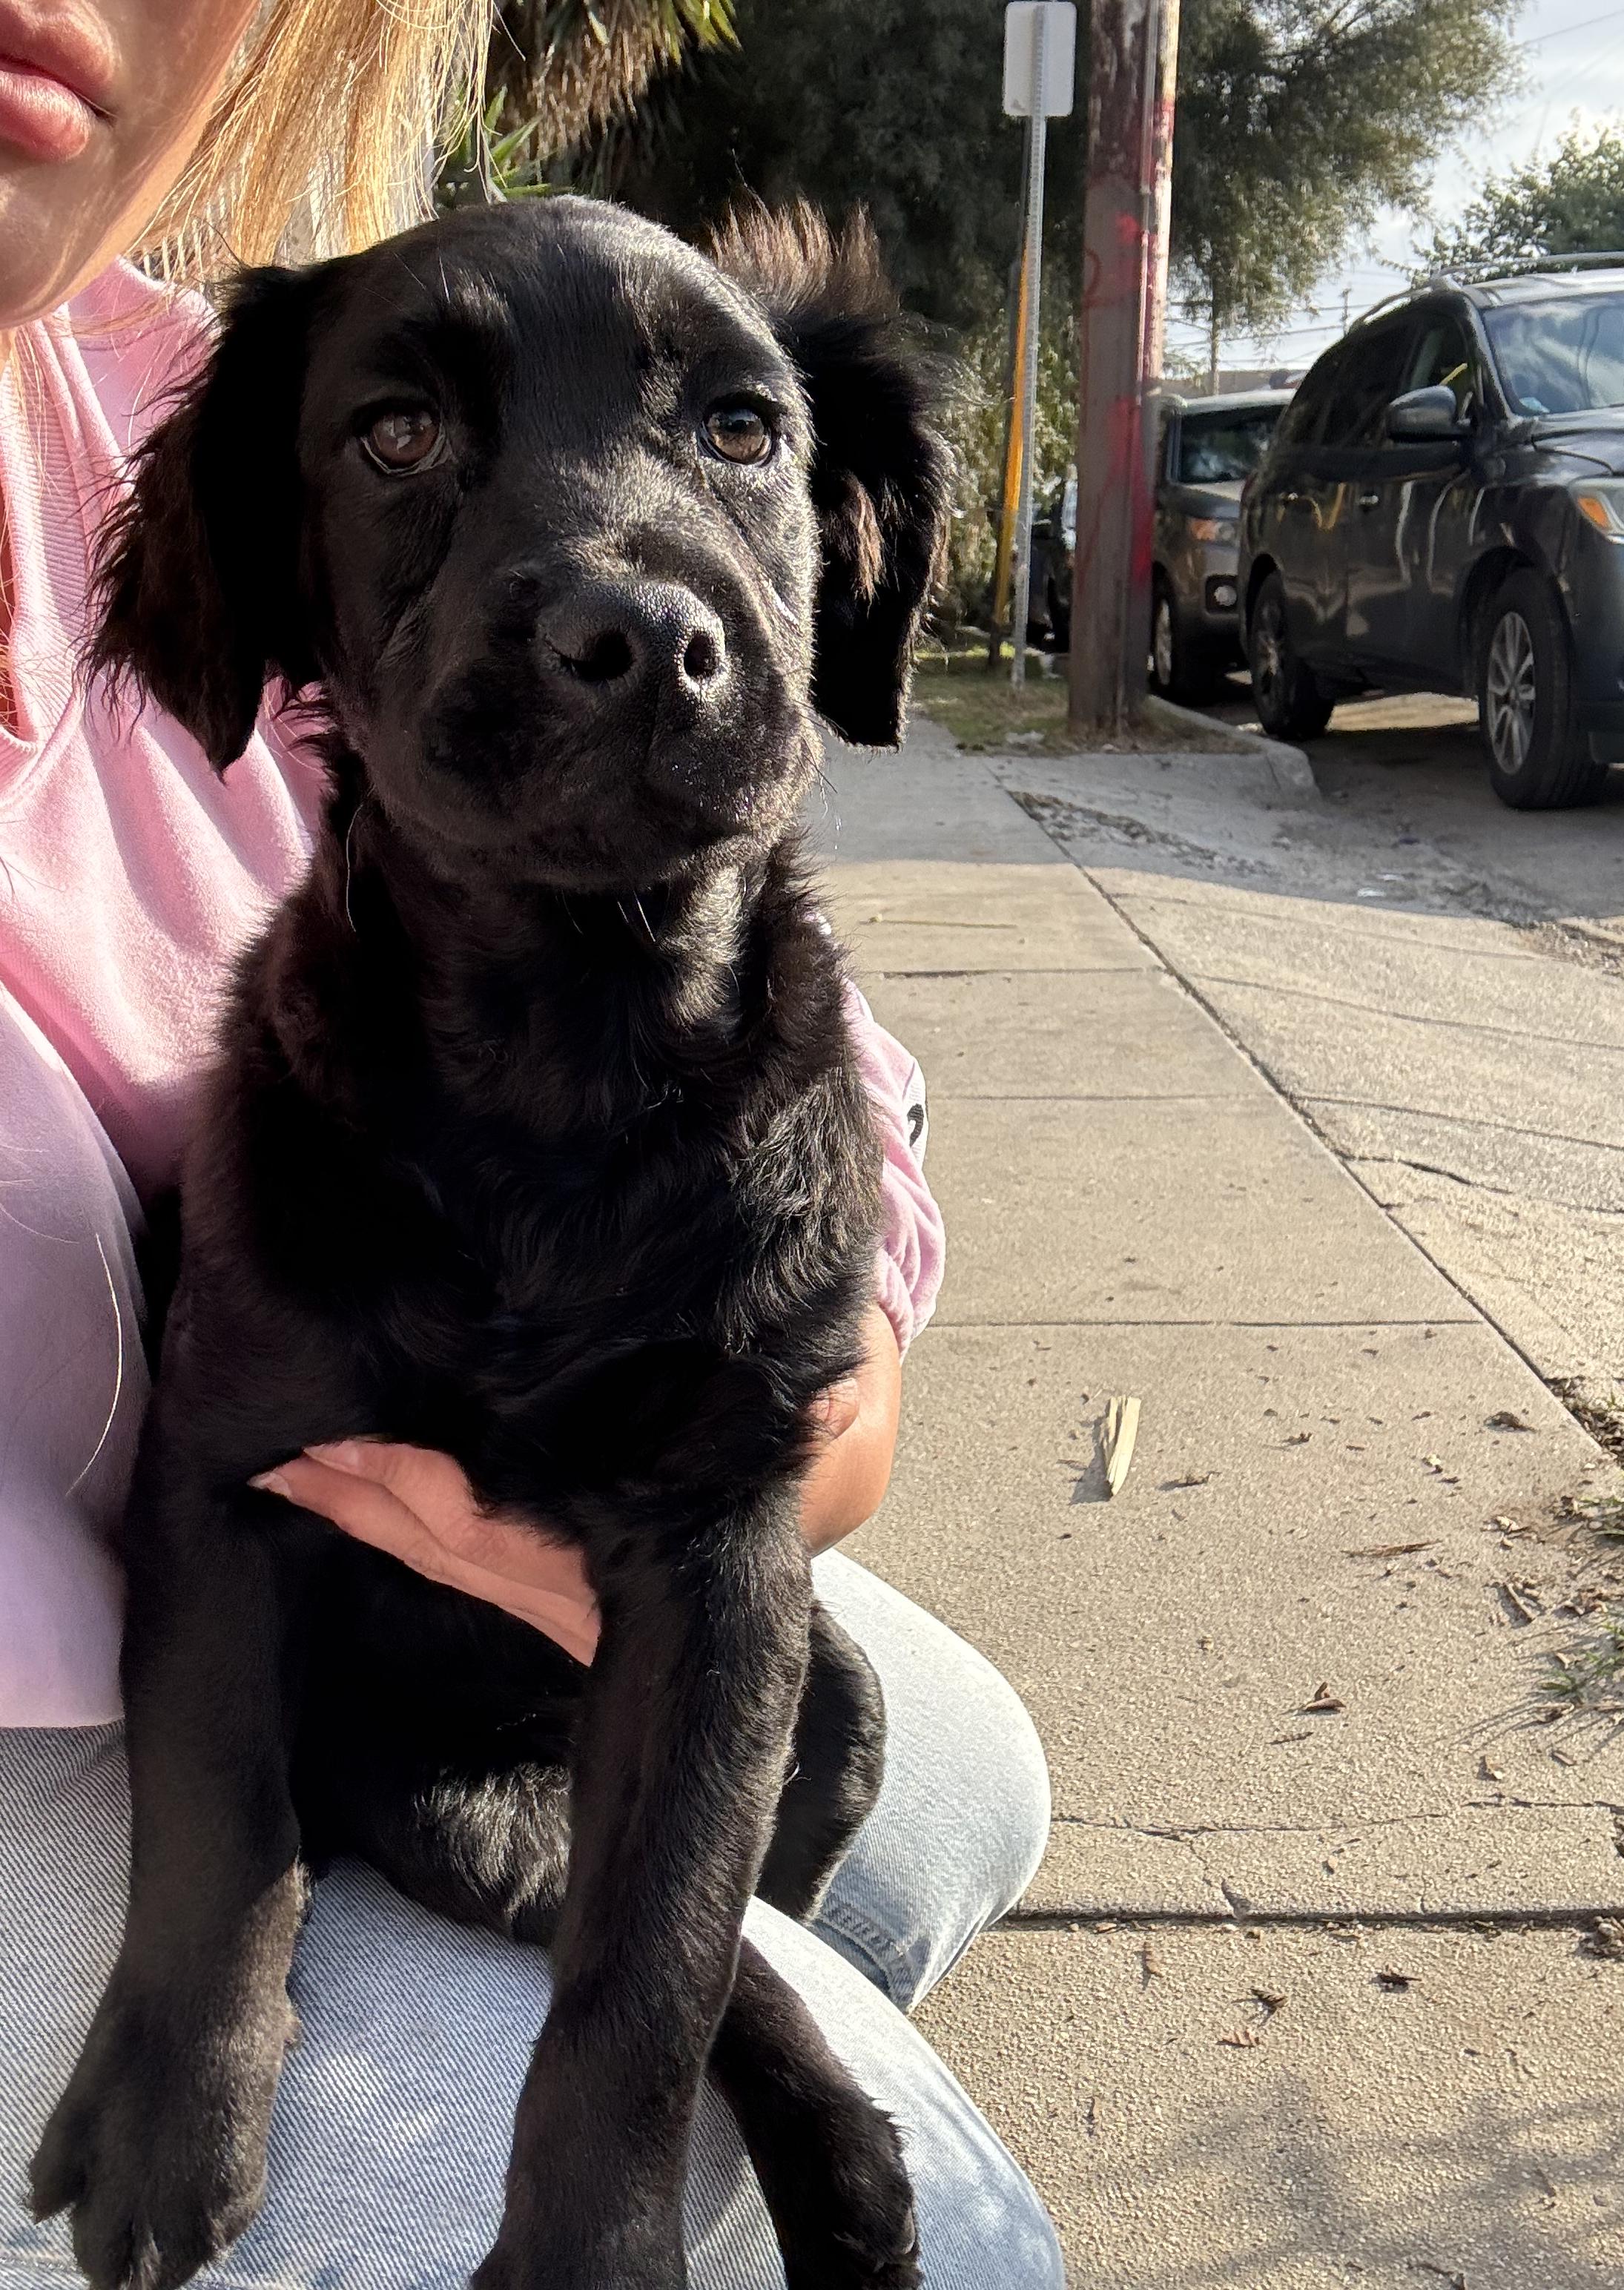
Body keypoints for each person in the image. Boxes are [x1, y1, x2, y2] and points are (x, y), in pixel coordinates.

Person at [0, 6, 1063, 2287]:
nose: (613, 591)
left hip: (504, 1538)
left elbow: (846, 1193)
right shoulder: (241, 470)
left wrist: (775, 1433)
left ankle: (710, 2029)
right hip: (107, 1700)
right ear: (280, 582)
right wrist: (215, 1953)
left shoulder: (147, 383)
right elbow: (226, 1473)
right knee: (933, 2240)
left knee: (935, 1772)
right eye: (407, 436)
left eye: (735, 436)